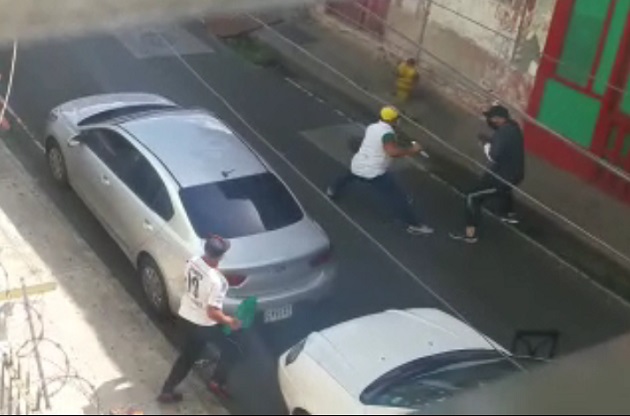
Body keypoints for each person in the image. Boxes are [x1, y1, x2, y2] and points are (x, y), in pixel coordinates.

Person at [158, 235, 242, 404]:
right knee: (233, 350)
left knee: (187, 357)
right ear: (221, 256)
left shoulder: (193, 261)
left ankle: (167, 390)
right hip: (203, 325)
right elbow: (212, 312)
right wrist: (229, 321)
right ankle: (216, 382)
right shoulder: (218, 282)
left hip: (185, 316)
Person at [326, 105, 433, 235]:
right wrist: (413, 150)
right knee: (396, 197)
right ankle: (414, 224)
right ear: (394, 120)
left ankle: (332, 190)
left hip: (359, 164)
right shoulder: (387, 134)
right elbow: (392, 152)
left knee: (348, 177)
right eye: (398, 118)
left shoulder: (373, 127)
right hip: (374, 172)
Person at [450, 104, 525, 243]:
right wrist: (491, 141)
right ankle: (508, 214)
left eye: (491, 118)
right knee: (503, 189)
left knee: (472, 197)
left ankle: (470, 235)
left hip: (503, 177)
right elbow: (504, 147)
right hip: (514, 174)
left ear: (499, 119)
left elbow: (493, 155)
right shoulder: (514, 128)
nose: (490, 121)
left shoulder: (503, 132)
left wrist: (485, 144)